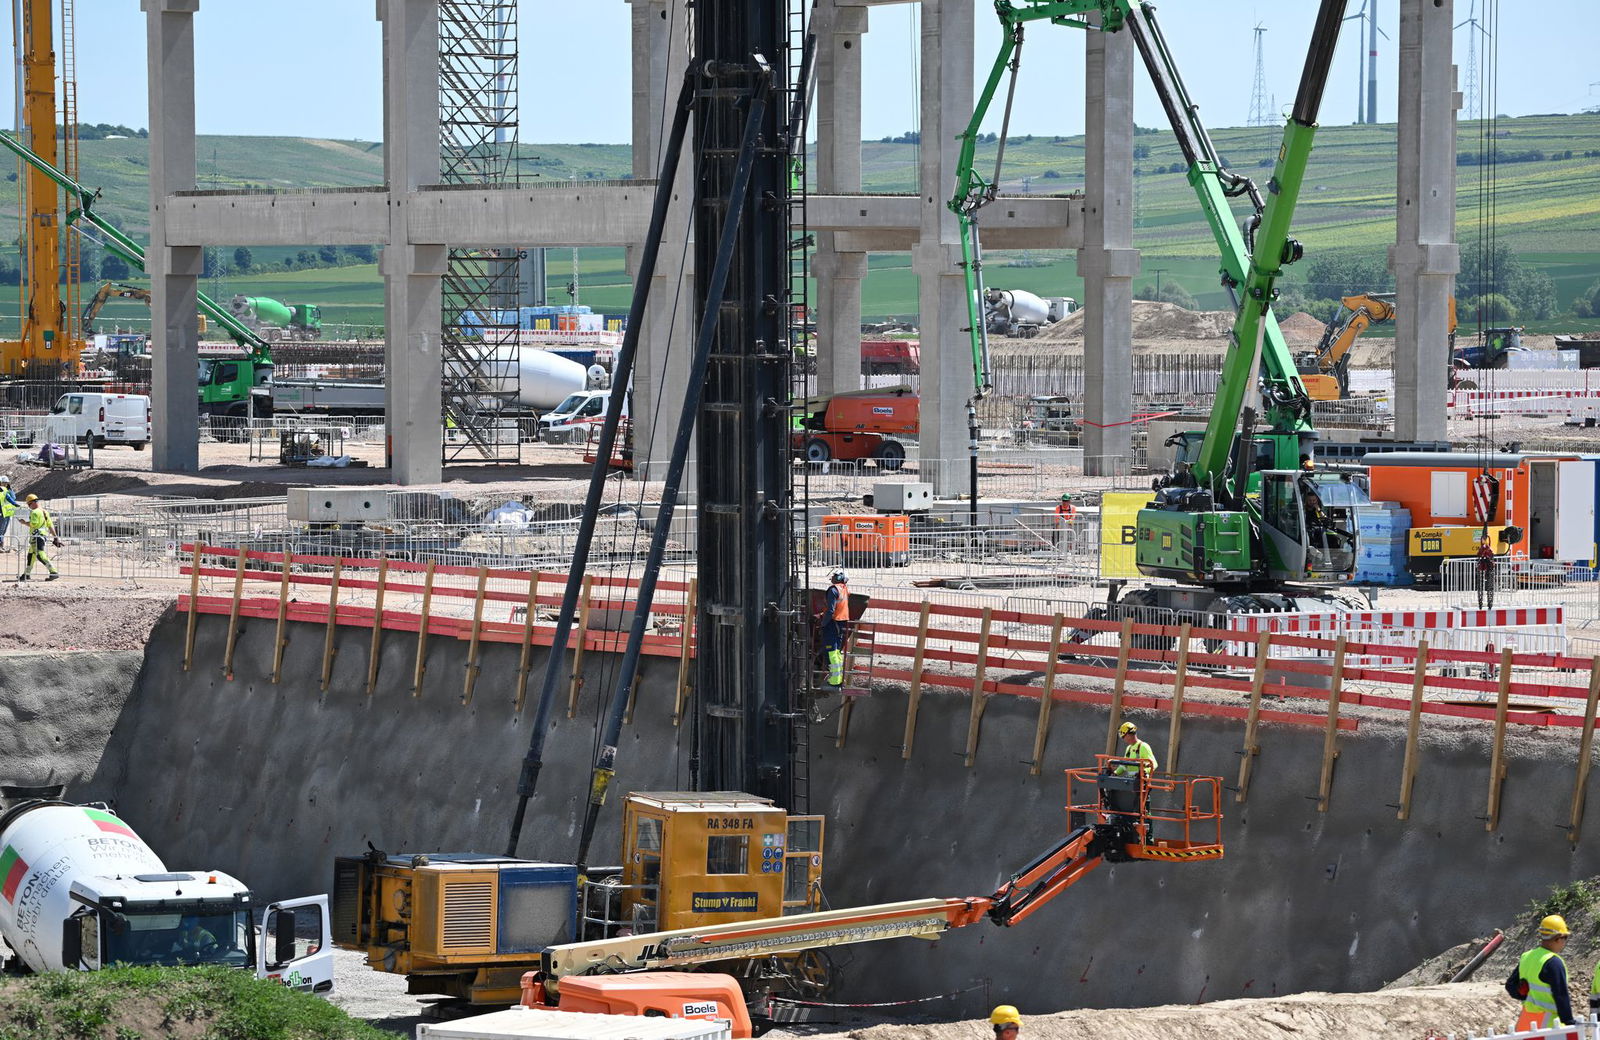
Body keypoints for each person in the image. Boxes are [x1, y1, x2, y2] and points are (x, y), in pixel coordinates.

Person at [1506, 915, 1574, 1032]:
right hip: (1550, 1027)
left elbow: (1510, 986)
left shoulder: (1526, 957)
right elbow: (1561, 995)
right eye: (1565, 938)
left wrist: (1523, 995)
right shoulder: (1554, 962)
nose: (1565, 942)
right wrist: (1569, 1022)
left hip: (1526, 1025)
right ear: (1558, 938)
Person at [18, 493, 59, 581]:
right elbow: (50, 525)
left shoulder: (34, 512)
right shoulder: (45, 512)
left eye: (29, 504)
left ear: (33, 502)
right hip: (41, 536)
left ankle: (53, 571)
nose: (29, 507)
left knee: (40, 554)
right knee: (31, 556)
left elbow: (34, 524)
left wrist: (24, 522)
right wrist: (55, 537)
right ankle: (26, 574)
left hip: (36, 536)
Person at [820, 570, 851, 687]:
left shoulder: (833, 590)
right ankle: (838, 678)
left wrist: (824, 623)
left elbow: (831, 610)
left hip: (833, 623)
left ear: (839, 577)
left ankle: (835, 680)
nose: (831, 578)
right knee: (837, 651)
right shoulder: (844, 588)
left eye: (833, 576)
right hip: (842, 621)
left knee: (831, 651)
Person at [0, 475, 17, 552]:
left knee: (3, 530)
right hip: (2, 513)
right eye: (3, 483)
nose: (5, 485)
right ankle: (0, 545)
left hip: (7, 513)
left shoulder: (8, 491)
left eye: (6, 483)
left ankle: (1, 545)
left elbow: (13, 498)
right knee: (1, 530)